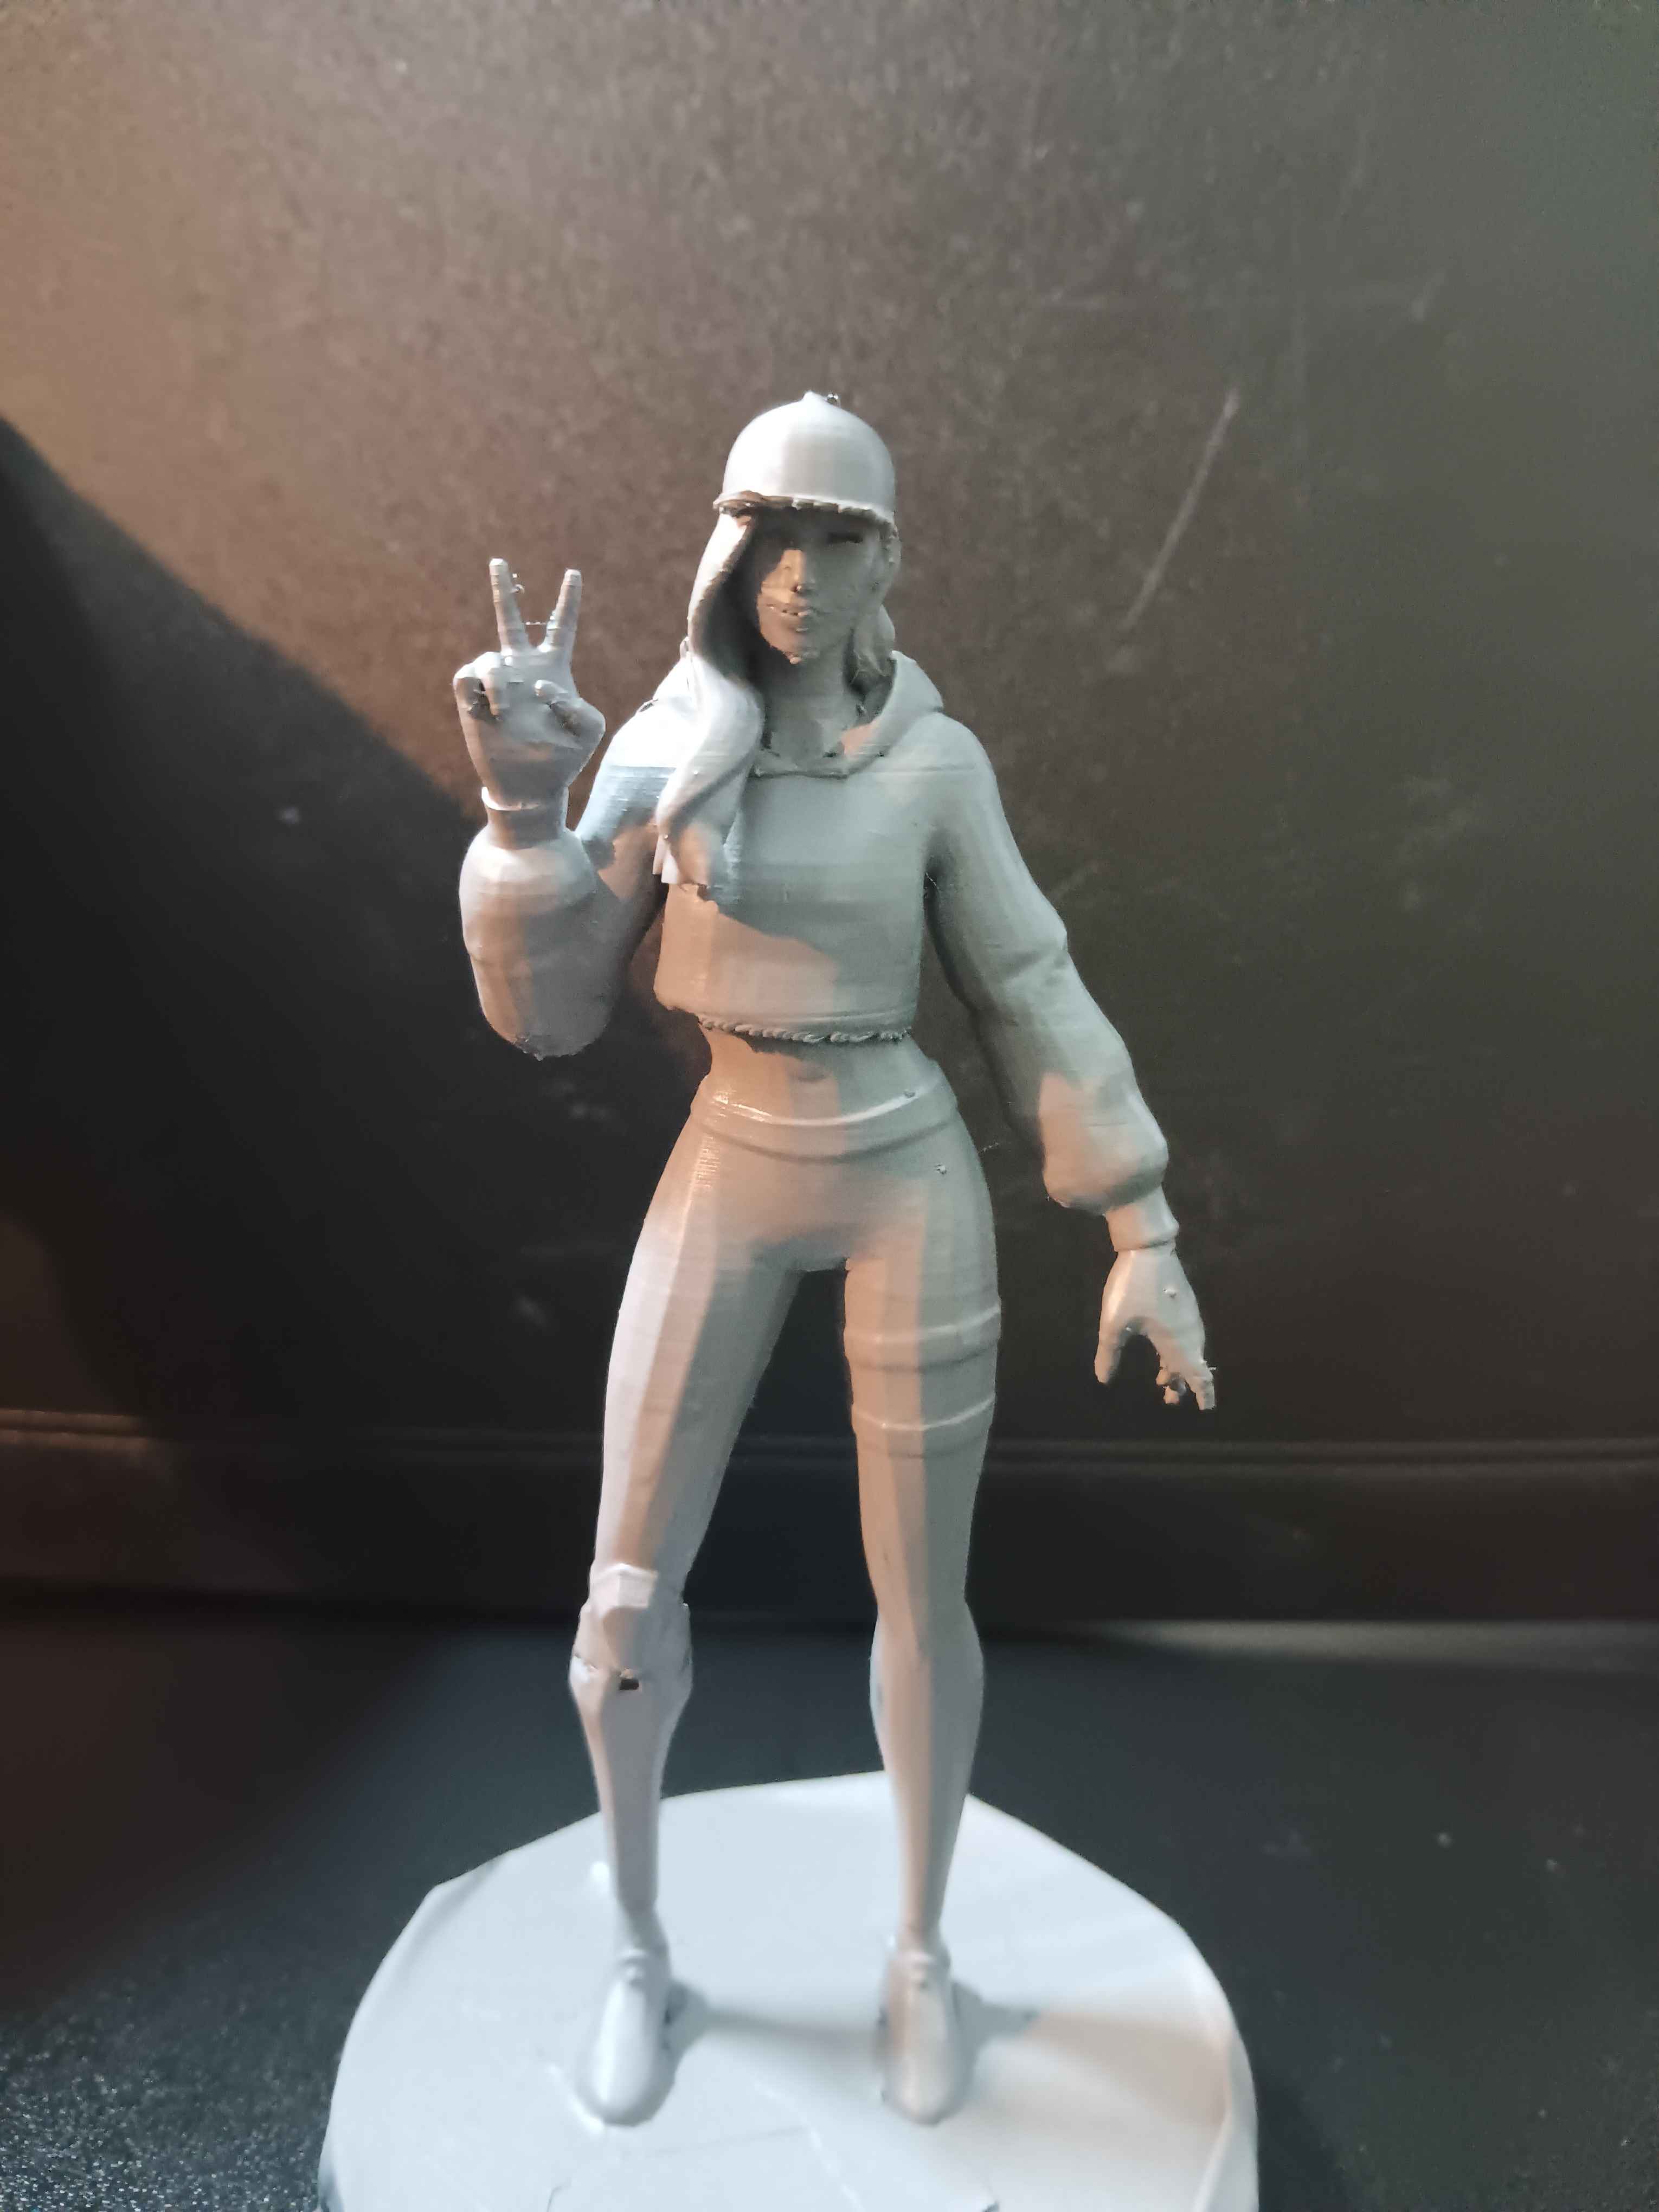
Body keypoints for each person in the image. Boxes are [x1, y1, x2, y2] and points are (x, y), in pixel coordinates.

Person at [454, 393, 1214, 2127]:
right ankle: (636, 1947)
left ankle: (920, 1954)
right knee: (622, 1602)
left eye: (839, 537)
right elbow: (551, 1010)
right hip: (729, 1146)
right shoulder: (670, 744)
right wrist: (519, 811)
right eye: (774, 536)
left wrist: (1140, 1226)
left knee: (920, 1602)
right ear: (728, 553)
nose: (801, 573)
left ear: (886, 561)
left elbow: (1028, 986)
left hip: (899, 1163)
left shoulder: (933, 767)